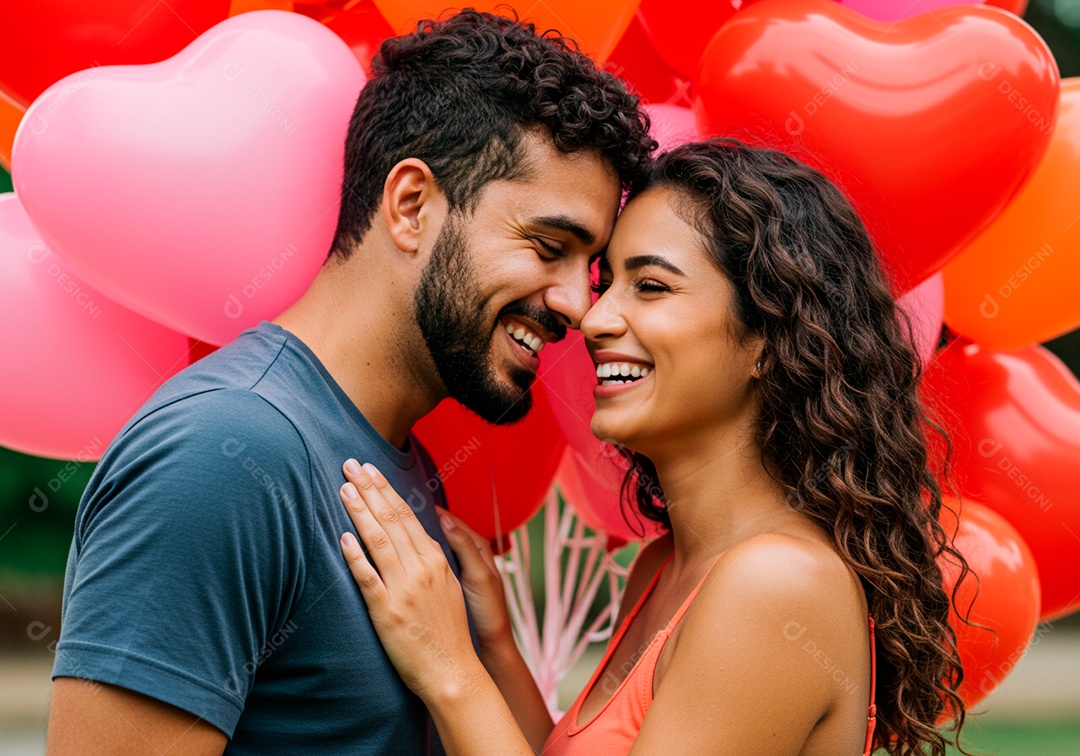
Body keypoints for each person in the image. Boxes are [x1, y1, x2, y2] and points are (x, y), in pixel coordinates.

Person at [44, 11, 655, 755]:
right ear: (411, 206)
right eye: (549, 245)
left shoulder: (399, 457)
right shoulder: (222, 453)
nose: (578, 306)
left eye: (589, 269)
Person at [334, 140, 974, 755]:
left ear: (769, 340)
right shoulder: (661, 569)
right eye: (606, 284)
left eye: (651, 286)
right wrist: (494, 644)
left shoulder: (776, 586)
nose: (593, 319)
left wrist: (449, 668)